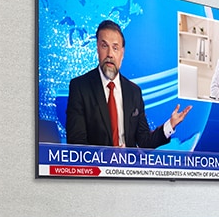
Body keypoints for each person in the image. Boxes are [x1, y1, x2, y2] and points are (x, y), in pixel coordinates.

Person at [66, 20, 191, 148]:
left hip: (127, 161)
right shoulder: (80, 87)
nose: (110, 54)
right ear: (97, 48)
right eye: (104, 46)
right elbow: (76, 141)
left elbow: (144, 141)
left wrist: (170, 125)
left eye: (115, 48)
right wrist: (106, 155)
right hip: (97, 161)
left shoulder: (134, 92)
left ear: (122, 53)